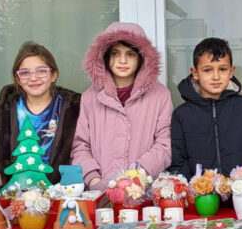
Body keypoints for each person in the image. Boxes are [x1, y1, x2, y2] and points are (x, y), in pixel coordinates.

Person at [71, 22, 172, 190]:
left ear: (141, 57)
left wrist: (137, 174)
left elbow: (165, 144)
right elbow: (80, 145)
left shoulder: (160, 96)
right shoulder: (90, 97)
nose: (122, 61)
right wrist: (93, 179)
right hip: (100, 193)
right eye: (115, 54)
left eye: (130, 54)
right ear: (105, 56)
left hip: (143, 191)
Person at [0, 42, 81, 185]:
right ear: (18, 79)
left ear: (54, 74)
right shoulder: (3, 110)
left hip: (60, 193)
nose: (33, 78)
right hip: (15, 193)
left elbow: (83, 148)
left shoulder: (73, 108)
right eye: (25, 73)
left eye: (41, 71)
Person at [170, 37, 242, 176]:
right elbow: (178, 158)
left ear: (231, 71)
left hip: (241, 192)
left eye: (222, 69)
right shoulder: (181, 114)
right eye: (208, 70)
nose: (216, 77)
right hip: (199, 195)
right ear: (195, 73)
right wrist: (192, 189)